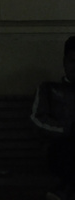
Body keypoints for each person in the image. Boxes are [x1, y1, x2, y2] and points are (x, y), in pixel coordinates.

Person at [31, 35, 75, 200]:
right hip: (60, 150)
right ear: (64, 62)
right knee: (69, 146)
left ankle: (64, 191)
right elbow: (37, 121)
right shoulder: (49, 90)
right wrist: (67, 129)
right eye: (73, 61)